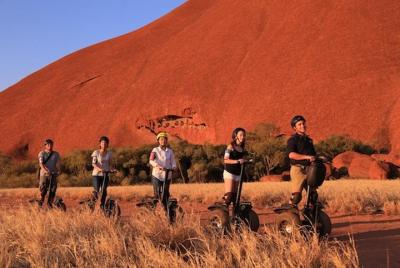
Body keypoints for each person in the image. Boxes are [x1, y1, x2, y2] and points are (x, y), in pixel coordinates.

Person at [287, 115, 317, 206]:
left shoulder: (309, 140)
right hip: (298, 170)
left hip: (309, 170)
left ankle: (311, 215)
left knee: (313, 196)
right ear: (294, 128)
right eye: (299, 124)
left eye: (303, 124)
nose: (302, 126)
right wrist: (306, 157)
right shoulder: (292, 140)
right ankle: (289, 215)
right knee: (296, 196)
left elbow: (313, 155)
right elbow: (291, 154)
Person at [149, 131, 177, 210]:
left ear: (166, 141)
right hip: (157, 175)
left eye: (164, 139)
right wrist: (157, 166)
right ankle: (153, 210)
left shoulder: (170, 151)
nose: (163, 141)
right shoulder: (155, 150)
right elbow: (151, 160)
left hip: (167, 175)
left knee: (166, 194)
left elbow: (173, 162)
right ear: (158, 141)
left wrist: (174, 167)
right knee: (157, 194)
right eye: (161, 139)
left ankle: (166, 210)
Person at [222, 128, 247, 207]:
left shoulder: (242, 148)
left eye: (244, 135)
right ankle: (223, 213)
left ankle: (233, 216)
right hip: (229, 173)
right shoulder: (230, 147)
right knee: (229, 196)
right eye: (241, 135)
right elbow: (225, 160)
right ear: (236, 136)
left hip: (238, 174)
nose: (243, 137)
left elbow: (242, 159)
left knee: (235, 198)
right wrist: (237, 161)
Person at [91, 136, 114, 209]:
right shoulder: (96, 152)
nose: (104, 144)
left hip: (105, 174)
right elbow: (93, 164)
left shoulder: (109, 153)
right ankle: (92, 205)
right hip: (96, 175)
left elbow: (110, 164)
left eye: (105, 143)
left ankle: (102, 206)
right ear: (100, 144)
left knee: (104, 191)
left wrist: (112, 169)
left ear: (107, 144)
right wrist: (99, 169)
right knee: (97, 190)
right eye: (102, 142)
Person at [38, 139, 61, 208]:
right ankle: (40, 202)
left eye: (51, 144)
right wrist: (45, 170)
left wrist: (59, 170)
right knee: (43, 189)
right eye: (48, 144)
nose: (50, 146)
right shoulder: (41, 153)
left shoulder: (56, 154)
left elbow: (58, 163)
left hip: (53, 173)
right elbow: (41, 164)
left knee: (53, 189)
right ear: (45, 146)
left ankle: (49, 203)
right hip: (44, 174)